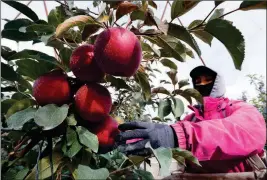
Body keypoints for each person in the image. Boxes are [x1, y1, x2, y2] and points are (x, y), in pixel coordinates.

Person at [115, 66, 267, 173]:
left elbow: (246, 132)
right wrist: (117, 139)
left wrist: (179, 136)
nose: (202, 84)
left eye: (208, 80)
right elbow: (160, 136)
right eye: (198, 81)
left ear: (218, 83)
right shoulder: (191, 119)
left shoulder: (237, 108)